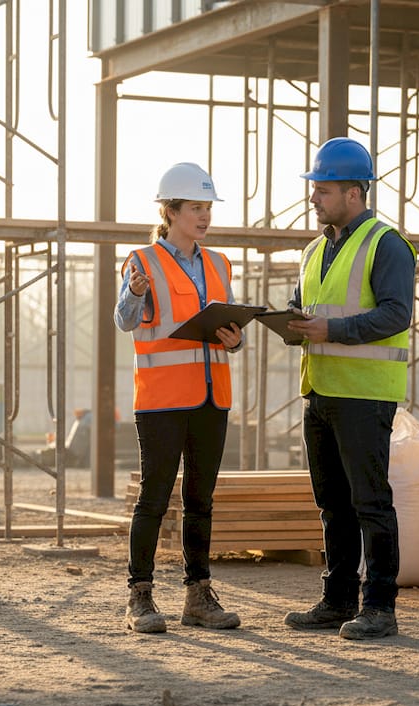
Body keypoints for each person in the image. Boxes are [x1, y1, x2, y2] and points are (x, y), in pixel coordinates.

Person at [282, 137, 417, 640]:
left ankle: (379, 606)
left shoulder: (387, 244)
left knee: (371, 503)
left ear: (354, 193)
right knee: (332, 504)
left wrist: (330, 331)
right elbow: (305, 308)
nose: (314, 197)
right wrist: (288, 323)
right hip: (320, 393)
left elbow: (395, 313)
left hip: (364, 394)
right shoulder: (315, 249)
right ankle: (336, 601)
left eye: (323, 189)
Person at [114, 162, 244, 634]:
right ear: (170, 212)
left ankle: (198, 596)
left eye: (208, 207)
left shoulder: (219, 263)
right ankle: (140, 597)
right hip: (162, 400)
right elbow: (125, 321)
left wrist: (235, 339)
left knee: (200, 499)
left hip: (212, 398)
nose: (205, 217)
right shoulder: (142, 262)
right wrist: (132, 292)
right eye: (196, 208)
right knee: (153, 497)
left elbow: (228, 326)